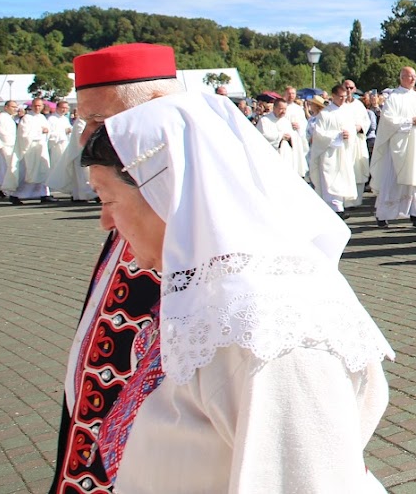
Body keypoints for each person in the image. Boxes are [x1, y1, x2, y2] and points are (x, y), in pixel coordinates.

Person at [80, 89, 393, 492]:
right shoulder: (212, 300)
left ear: (165, 194)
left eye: (107, 199)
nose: (106, 220)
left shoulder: (270, 334)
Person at [50, 42, 177, 494]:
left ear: (159, 111)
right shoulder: (134, 196)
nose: (86, 138)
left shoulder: (198, 224)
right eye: (83, 121)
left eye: (100, 122)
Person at [370, 66, 416, 229]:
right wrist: (410, 121)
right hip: (399, 148)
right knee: (391, 180)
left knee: (415, 181)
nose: (412, 79)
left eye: (414, 76)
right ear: (401, 78)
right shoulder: (394, 98)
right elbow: (388, 120)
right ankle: (383, 215)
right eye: (408, 76)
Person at [309, 84, 361, 216]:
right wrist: (336, 136)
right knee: (329, 180)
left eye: (345, 97)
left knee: (342, 178)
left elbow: (352, 130)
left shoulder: (347, 112)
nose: (343, 99)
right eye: (340, 97)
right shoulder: (325, 114)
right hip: (329, 154)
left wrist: (349, 134)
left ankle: (340, 205)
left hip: (343, 152)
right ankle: (334, 209)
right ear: (333, 96)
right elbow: (319, 134)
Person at [15, 97, 55, 202]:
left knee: (43, 170)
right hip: (30, 148)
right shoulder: (27, 118)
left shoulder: (42, 117)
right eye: (35, 105)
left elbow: (48, 131)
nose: (37, 108)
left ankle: (44, 193)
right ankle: (19, 194)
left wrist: (47, 131)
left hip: (41, 147)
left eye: (39, 105)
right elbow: (24, 134)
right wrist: (40, 130)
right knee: (29, 171)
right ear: (32, 106)